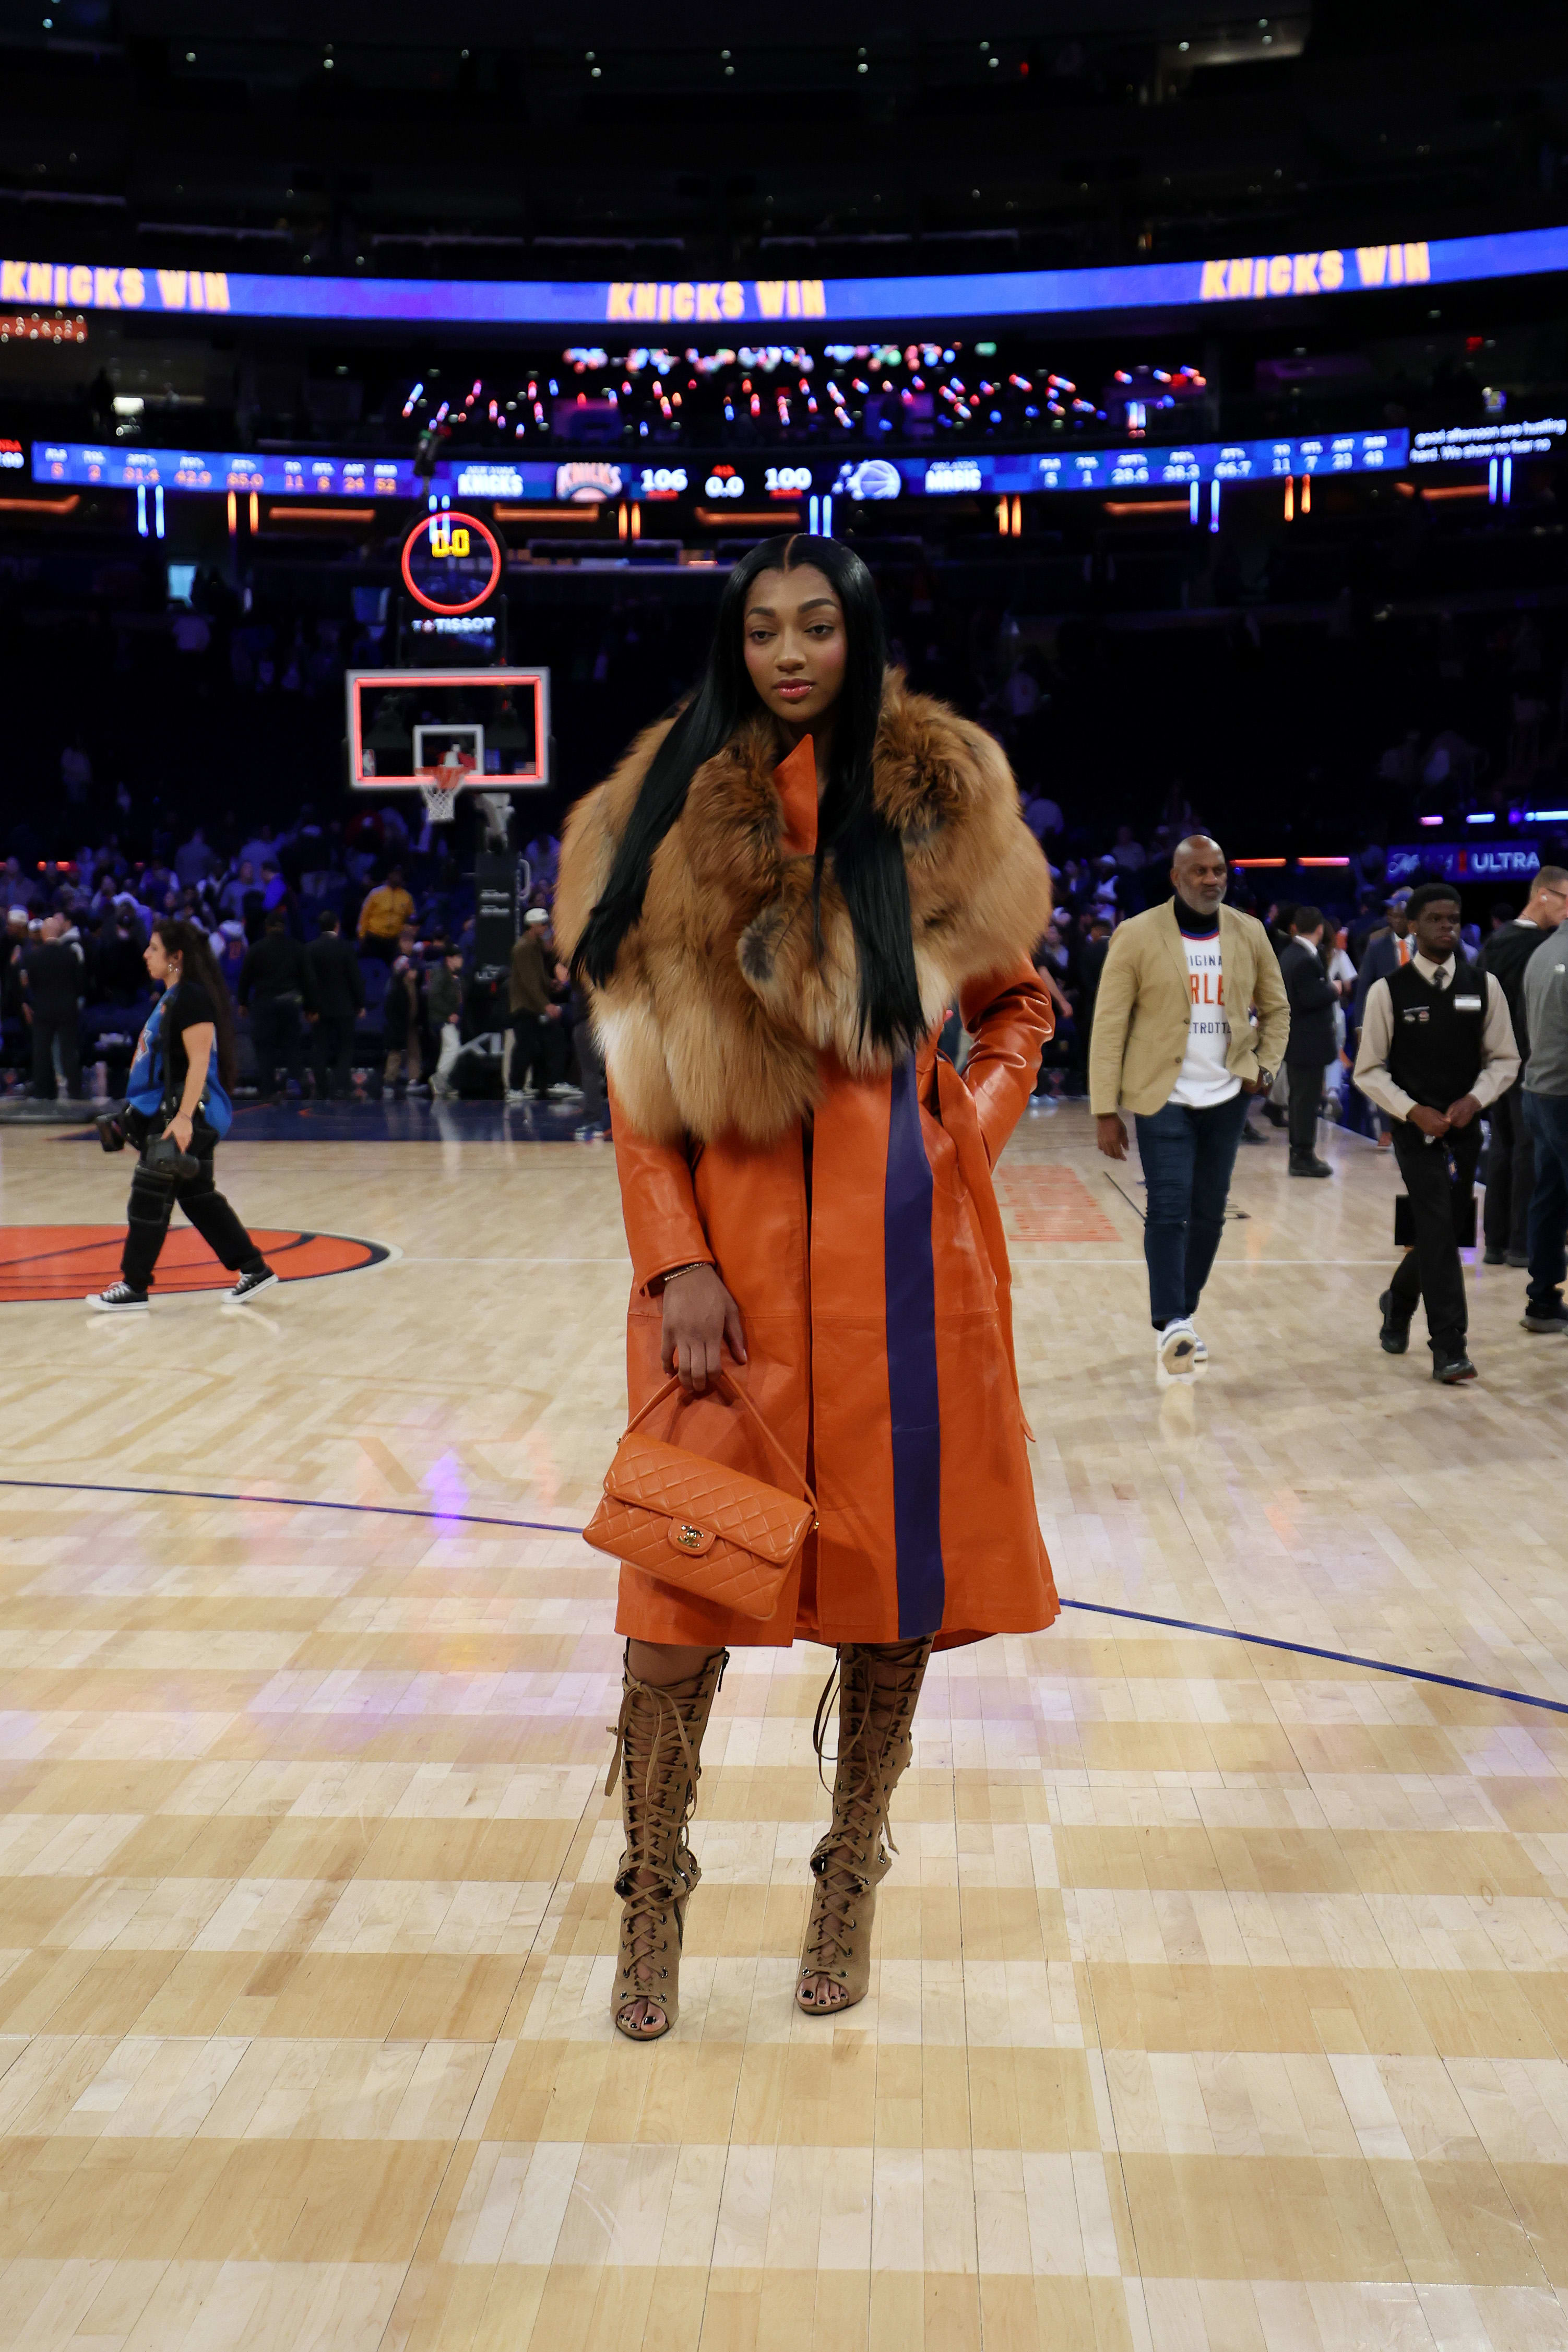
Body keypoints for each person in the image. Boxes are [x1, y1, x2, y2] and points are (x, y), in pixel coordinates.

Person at [554, 533, 1057, 2041]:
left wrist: (966, 1124)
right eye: (763, 628)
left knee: (886, 1604)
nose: (789, 652)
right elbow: (640, 1093)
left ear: (859, 637)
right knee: (674, 1600)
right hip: (731, 1289)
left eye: (816, 627)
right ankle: (653, 1889)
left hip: (912, 1280)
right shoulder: (655, 823)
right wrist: (678, 1261)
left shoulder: (943, 809)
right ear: (734, 646)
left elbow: (1019, 1001)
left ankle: (849, 1874)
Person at [1089, 835, 1289, 1377]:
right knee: (1168, 1208)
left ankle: (1185, 1314)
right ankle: (1171, 1320)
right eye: (1198, 872)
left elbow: (1277, 1008)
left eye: (1218, 870)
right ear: (1175, 879)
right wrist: (1104, 1109)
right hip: (1163, 1095)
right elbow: (1109, 1026)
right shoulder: (1135, 935)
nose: (1211, 880)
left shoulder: (1248, 932)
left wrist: (1265, 1067)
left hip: (1227, 1095)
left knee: (1209, 1214)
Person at [1353, 883, 1518, 1382]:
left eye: (1454, 919)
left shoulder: (1484, 985)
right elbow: (1369, 1070)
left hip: (1465, 1129)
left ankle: (1398, 1299)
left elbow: (1505, 1059)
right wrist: (1411, 1111)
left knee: (1444, 1231)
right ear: (1412, 925)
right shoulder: (1389, 991)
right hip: (1414, 1131)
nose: (1447, 927)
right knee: (1440, 1228)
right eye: (1436, 919)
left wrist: (1476, 1099)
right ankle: (1450, 1347)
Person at [87, 918, 276, 1311]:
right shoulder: (172, 998)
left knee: (149, 1195)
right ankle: (254, 1268)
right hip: (174, 1111)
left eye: (154, 948)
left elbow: (198, 1062)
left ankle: (134, 1285)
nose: (145, 955)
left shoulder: (191, 997)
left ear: (177, 958)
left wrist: (186, 1117)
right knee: (198, 1196)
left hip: (188, 1112)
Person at [1476, 865, 1568, 1266]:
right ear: (1544, 895)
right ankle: (1522, 1242)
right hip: (1530, 1062)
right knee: (1529, 1151)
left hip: (1494, 1060)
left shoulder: (1495, 941)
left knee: (1501, 1146)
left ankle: (1495, 1241)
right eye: (1566, 901)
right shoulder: (1537, 948)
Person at [1515, 931, 1568, 1333]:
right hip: (1564, 1092)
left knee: (1549, 1195)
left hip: (1539, 1087)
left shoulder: (1543, 950)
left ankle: (1543, 1301)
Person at [1278, 907, 1337, 1178]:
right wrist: (1333, 990)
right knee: (1305, 1101)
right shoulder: (1304, 960)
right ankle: (1302, 1155)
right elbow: (1310, 998)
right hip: (1307, 1043)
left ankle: (1300, 1153)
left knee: (1300, 1099)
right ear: (1320, 929)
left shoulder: (1291, 954)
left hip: (1299, 1042)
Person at [1352, 888, 1413, 1149]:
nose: (1392, 919)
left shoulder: (1428, 944)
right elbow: (1364, 986)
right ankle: (1387, 1129)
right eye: (1390, 914)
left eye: (1398, 914)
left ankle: (1414, 1125)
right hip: (1385, 1022)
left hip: (1420, 1023)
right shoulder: (1377, 945)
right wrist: (1360, 1024)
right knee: (1383, 1074)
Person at [239, 908, 316, 1100]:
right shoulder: (297, 948)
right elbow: (308, 980)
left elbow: (245, 979)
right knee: (292, 1046)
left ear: (267, 927)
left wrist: (243, 1002)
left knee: (265, 1048)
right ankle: (302, 1082)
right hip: (290, 1003)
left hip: (264, 1004)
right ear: (284, 927)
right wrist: (310, 1007)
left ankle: (269, 1090)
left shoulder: (257, 949)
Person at [506, 908, 572, 1102]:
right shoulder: (524, 947)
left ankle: (552, 1082)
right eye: (543, 924)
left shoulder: (535, 946)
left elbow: (538, 977)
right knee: (526, 1048)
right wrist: (546, 1005)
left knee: (550, 1042)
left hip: (533, 1006)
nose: (546, 927)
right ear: (532, 925)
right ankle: (516, 1088)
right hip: (526, 1007)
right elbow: (529, 981)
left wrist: (551, 985)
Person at [22, 913, 85, 1100]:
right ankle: (75, 1091)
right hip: (67, 1008)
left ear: (42, 934)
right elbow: (80, 984)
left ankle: (43, 1092)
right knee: (69, 1050)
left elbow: (29, 985)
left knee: (41, 1050)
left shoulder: (33, 957)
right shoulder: (70, 955)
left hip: (42, 1009)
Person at [306, 908, 364, 1099]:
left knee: (320, 1048)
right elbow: (355, 978)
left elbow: (308, 982)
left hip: (319, 1010)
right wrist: (360, 1004)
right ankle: (340, 1087)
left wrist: (310, 1008)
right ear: (337, 926)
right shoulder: (346, 947)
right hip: (344, 1008)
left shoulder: (311, 949)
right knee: (346, 1048)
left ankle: (322, 1089)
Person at [381, 929, 423, 1095]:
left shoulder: (414, 960)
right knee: (396, 1049)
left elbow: (416, 974)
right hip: (399, 1014)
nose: (408, 945)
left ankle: (413, 1080)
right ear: (400, 943)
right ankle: (389, 1082)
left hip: (412, 1016)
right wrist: (410, 972)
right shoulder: (399, 960)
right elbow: (404, 972)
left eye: (410, 942)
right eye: (405, 942)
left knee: (414, 1048)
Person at [425, 942, 466, 1100]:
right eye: (458, 957)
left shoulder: (453, 976)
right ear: (449, 959)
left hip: (449, 1019)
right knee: (453, 1047)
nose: (461, 960)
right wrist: (449, 1013)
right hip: (441, 1019)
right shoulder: (441, 974)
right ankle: (439, 1078)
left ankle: (441, 1082)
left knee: (449, 1048)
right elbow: (433, 998)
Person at [357, 865, 415, 963]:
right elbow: (364, 917)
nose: (398, 877)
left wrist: (406, 939)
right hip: (374, 939)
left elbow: (411, 919)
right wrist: (362, 937)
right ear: (390, 875)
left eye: (400, 875)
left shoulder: (407, 897)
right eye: (395, 874)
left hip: (393, 941)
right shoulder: (376, 893)